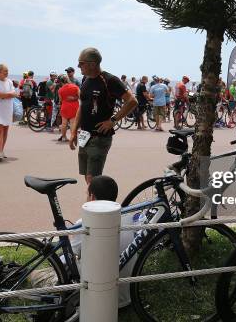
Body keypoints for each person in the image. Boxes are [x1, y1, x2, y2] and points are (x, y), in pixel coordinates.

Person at [28, 175, 141, 308]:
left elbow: (69, 259)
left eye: (87, 194)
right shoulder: (129, 218)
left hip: (97, 301)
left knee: (35, 275)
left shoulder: (85, 223)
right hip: (126, 298)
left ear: (92, 197)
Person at [69, 47, 137, 186]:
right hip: (84, 137)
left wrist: (112, 121)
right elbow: (82, 107)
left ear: (92, 64)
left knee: (92, 179)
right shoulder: (85, 80)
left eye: (81, 63)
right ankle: (92, 204)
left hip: (99, 138)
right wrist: (74, 131)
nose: (78, 66)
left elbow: (132, 101)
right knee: (87, 178)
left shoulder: (110, 80)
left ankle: (93, 205)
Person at [0, 64, 18, 162]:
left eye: (7, 71)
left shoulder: (9, 81)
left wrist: (4, 95)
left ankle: (2, 150)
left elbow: (14, 94)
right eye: (5, 71)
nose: (7, 73)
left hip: (7, 108)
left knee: (6, 129)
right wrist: (8, 94)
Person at [58, 75, 80, 142]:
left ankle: (64, 137)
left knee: (64, 123)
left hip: (64, 107)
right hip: (74, 107)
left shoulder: (60, 90)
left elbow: (60, 100)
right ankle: (72, 137)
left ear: (61, 81)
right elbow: (80, 96)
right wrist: (74, 98)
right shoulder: (75, 87)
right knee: (72, 124)